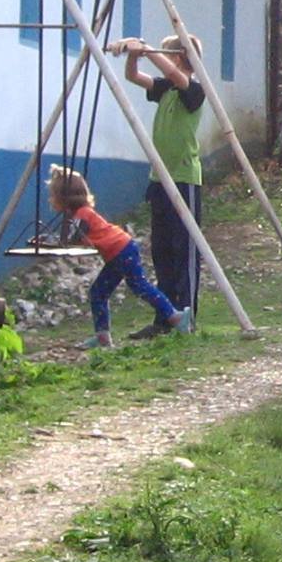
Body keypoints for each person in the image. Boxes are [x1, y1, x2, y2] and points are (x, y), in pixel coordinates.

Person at [111, 31, 206, 334]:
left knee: (185, 251)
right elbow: (134, 77)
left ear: (178, 58)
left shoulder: (194, 91)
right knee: (162, 251)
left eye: (166, 55)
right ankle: (165, 317)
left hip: (183, 179)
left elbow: (173, 74)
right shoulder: (165, 89)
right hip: (160, 179)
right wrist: (133, 53)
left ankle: (187, 316)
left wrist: (146, 49)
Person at [47, 165, 188, 349]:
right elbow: (74, 237)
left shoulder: (82, 215)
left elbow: (73, 238)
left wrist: (52, 241)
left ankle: (175, 317)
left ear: (63, 197)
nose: (51, 200)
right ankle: (102, 336)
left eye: (53, 195)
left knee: (139, 285)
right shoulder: (79, 215)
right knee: (99, 292)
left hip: (122, 250)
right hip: (117, 253)